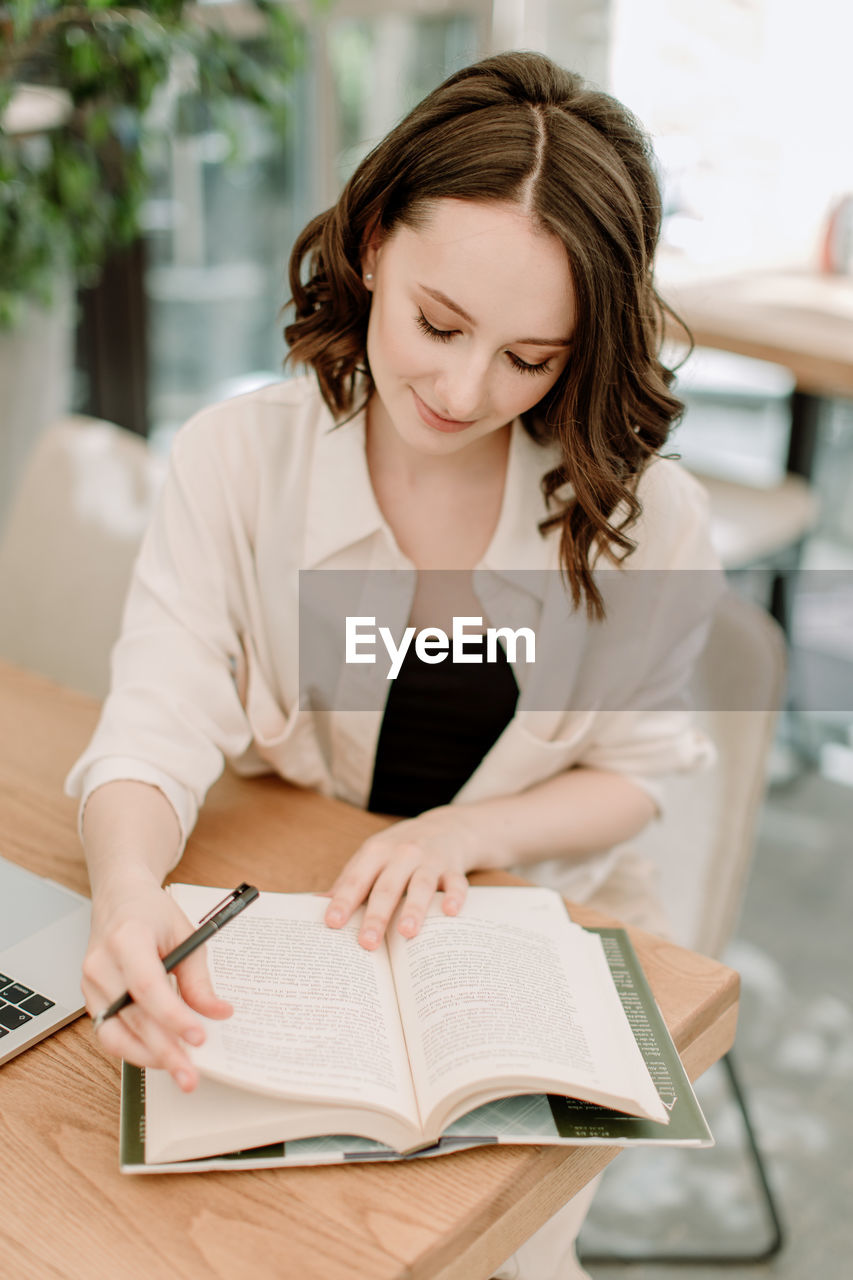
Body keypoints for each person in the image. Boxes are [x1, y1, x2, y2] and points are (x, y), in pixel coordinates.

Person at [68, 50, 721, 1279]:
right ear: (371, 240)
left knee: (485, 1252)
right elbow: (155, 716)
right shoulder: (236, 462)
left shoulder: (650, 516)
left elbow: (638, 773)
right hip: (297, 923)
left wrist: (454, 834)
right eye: (439, 323)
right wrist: (121, 894)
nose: (467, 389)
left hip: (536, 940)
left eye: (532, 357)